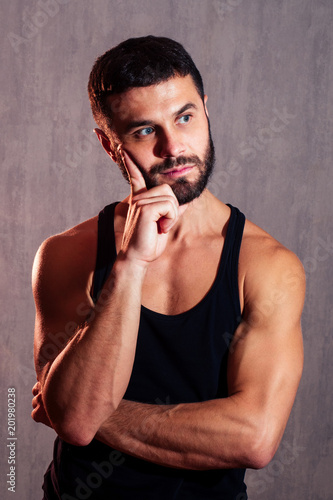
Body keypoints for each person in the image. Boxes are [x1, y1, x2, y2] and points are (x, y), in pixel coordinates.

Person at [31, 35, 305, 499]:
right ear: (109, 145)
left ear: (206, 109)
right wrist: (130, 264)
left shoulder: (266, 266)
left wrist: (100, 413)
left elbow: (254, 438)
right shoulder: (66, 254)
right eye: (143, 130)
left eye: (185, 116)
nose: (174, 147)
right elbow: (74, 425)